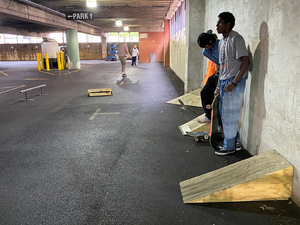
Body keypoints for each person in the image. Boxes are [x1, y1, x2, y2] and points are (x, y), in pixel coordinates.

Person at [214, 12, 249, 156]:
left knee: (229, 115)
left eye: (220, 23)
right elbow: (221, 66)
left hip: (233, 82)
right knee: (225, 114)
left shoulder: (236, 38)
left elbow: (246, 62)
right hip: (223, 82)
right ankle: (235, 142)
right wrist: (218, 86)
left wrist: (234, 83)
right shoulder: (222, 42)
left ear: (228, 24)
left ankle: (229, 147)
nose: (217, 25)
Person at [197, 30, 220, 123]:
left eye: (206, 46)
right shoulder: (206, 51)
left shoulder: (221, 46)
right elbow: (217, 62)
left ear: (210, 42)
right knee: (205, 92)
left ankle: (219, 122)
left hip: (227, 73)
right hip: (219, 73)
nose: (206, 48)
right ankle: (208, 115)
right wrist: (217, 73)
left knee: (216, 96)